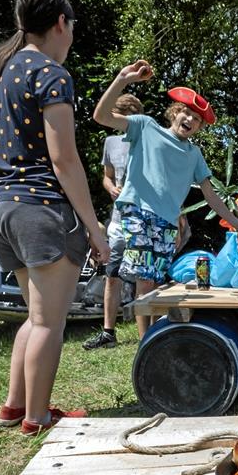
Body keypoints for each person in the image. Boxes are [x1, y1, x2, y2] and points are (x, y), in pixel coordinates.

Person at [0, 0, 108, 435]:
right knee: (48, 324)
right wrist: (95, 229)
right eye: (72, 28)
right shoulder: (51, 75)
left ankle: (14, 407)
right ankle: (37, 418)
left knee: (34, 316)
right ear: (61, 23)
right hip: (39, 209)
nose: (71, 37)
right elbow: (63, 159)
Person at [92, 61, 238, 338]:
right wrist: (122, 80)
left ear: (200, 127)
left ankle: (153, 338)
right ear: (175, 112)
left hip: (166, 221)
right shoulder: (145, 127)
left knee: (154, 281)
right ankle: (146, 344)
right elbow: (101, 116)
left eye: (197, 119)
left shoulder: (194, 155)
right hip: (138, 212)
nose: (189, 120)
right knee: (144, 281)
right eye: (186, 113)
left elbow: (212, 197)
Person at [82, 94, 144, 351]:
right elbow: (107, 177)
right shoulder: (110, 142)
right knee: (112, 274)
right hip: (118, 218)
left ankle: (146, 337)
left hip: (142, 218)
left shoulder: (146, 140)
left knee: (143, 277)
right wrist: (110, 188)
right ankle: (109, 332)